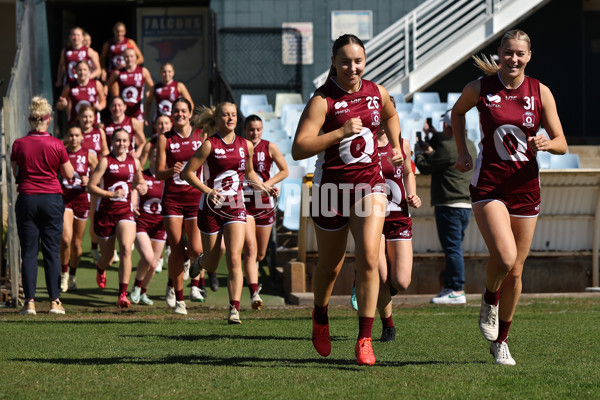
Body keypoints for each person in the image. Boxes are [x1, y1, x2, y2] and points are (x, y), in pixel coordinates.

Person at [453, 29, 567, 365]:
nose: (513, 59)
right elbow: (457, 113)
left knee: (516, 271)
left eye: (520, 54)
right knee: (504, 257)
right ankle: (489, 298)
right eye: (508, 52)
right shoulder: (480, 88)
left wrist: (546, 143)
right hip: (489, 186)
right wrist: (463, 151)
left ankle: (501, 341)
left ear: (529, 56)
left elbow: (562, 143)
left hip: (526, 188)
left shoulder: (540, 92)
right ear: (499, 53)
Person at [291, 34, 404, 365]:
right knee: (331, 265)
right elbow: (299, 148)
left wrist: (395, 146)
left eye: (358, 61)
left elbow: (391, 115)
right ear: (334, 62)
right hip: (330, 190)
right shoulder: (322, 100)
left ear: (365, 61)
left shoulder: (376, 92)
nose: (352, 68)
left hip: (370, 186)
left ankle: (364, 338)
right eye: (345, 61)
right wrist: (340, 132)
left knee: (370, 258)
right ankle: (320, 315)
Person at [183, 102, 274, 324]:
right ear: (217, 119)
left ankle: (234, 309)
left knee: (235, 257)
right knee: (214, 262)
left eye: (233, 115)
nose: (231, 118)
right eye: (226, 115)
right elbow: (188, 173)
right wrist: (207, 190)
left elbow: (250, 173)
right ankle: (201, 262)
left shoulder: (246, 145)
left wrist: (264, 186)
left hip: (236, 207)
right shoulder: (209, 145)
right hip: (211, 208)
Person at [11, 96, 74, 315]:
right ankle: (54, 301)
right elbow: (69, 173)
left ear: (30, 119)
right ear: (47, 120)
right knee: (51, 252)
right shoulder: (56, 144)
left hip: (27, 197)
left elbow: (15, 172)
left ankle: (29, 302)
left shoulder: (19, 144)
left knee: (28, 252)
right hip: (51, 199)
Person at [414, 110, 477, 304]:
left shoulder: (448, 146)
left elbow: (425, 166)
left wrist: (418, 152)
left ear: (448, 127)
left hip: (449, 203)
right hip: (465, 203)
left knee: (452, 248)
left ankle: (457, 289)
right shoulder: (470, 145)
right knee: (454, 247)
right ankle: (451, 287)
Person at [155, 98, 206, 314]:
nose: (180, 114)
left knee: (196, 249)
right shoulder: (164, 139)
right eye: (176, 111)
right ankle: (180, 300)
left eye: (183, 111)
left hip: (195, 198)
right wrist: (172, 170)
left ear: (190, 112)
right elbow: (158, 172)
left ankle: (184, 265)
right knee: (176, 249)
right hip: (173, 200)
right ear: (171, 114)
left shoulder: (201, 135)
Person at [375, 105, 421, 343]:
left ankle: (369, 279)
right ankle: (388, 325)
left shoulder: (402, 145)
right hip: (373, 219)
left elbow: (408, 173)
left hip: (399, 217)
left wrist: (412, 194)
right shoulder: (365, 145)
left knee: (401, 281)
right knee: (381, 276)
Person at [87, 128, 147, 308]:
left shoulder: (134, 162)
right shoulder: (106, 161)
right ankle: (100, 267)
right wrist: (110, 194)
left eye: (125, 141)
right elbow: (91, 186)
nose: (121, 144)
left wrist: (142, 186)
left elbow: (139, 181)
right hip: (105, 213)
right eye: (118, 140)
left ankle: (122, 294)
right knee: (108, 257)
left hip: (125, 212)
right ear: (112, 142)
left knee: (126, 250)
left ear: (130, 143)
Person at [242, 115, 288, 309]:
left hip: (264, 204)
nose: (255, 133)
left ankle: (255, 267)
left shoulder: (269, 147)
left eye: (258, 129)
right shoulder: (239, 147)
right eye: (251, 129)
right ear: (245, 130)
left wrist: (268, 185)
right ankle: (254, 292)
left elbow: (284, 170)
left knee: (260, 254)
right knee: (250, 250)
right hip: (243, 202)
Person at [60, 125, 98, 292]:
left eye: (77, 135)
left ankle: (73, 276)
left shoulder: (89, 155)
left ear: (82, 137)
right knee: (66, 239)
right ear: (67, 137)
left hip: (82, 200)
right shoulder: (61, 153)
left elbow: (99, 178)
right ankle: (64, 274)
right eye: (71, 135)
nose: (74, 138)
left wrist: (88, 180)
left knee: (76, 243)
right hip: (64, 200)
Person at [130, 147, 165, 305]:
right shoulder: (143, 176)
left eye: (160, 156)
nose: (157, 158)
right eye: (155, 155)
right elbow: (134, 190)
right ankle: (136, 286)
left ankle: (143, 292)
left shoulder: (168, 177)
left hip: (160, 225)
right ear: (150, 157)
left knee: (154, 264)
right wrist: (133, 205)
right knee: (148, 257)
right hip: (142, 223)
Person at [106, 48, 153, 123]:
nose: (129, 59)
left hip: (137, 109)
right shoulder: (118, 72)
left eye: (131, 56)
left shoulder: (143, 71)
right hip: (122, 109)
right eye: (127, 57)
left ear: (136, 57)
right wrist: (106, 95)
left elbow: (152, 88)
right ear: (123, 58)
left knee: (138, 133)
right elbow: (106, 85)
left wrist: (149, 93)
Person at [56, 60, 106, 125]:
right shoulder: (69, 86)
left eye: (85, 70)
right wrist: (62, 104)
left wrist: (100, 106)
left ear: (89, 71)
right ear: (75, 71)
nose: (82, 72)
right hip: (75, 122)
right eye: (80, 70)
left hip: (93, 123)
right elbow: (59, 104)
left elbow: (103, 101)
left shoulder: (96, 84)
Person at [145, 62, 194, 127]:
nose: (167, 74)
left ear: (173, 72)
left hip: (175, 120)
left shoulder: (179, 86)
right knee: (159, 137)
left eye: (169, 71)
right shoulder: (155, 87)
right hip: (160, 121)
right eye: (164, 72)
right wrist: (146, 117)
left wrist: (189, 117)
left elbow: (190, 103)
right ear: (160, 72)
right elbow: (148, 102)